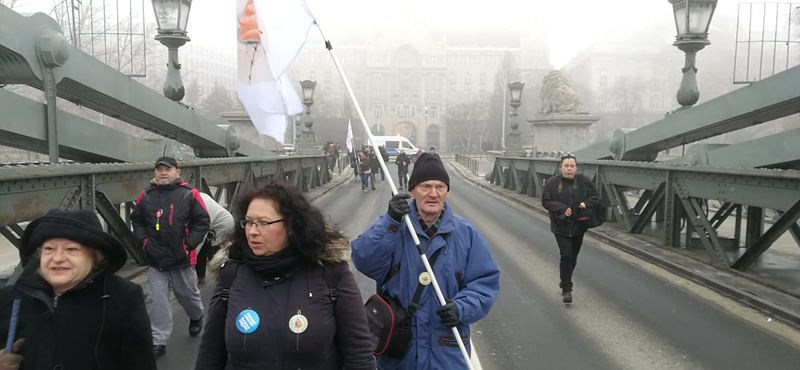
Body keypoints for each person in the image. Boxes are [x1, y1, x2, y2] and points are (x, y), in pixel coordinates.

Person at [195, 181, 375, 370]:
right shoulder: (232, 274)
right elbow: (210, 354)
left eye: (263, 223)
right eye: (248, 222)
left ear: (291, 225)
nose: (252, 231)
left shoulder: (331, 273)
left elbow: (359, 353)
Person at [352, 153, 501, 370]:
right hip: (400, 351)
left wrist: (461, 307)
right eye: (425, 186)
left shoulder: (467, 234)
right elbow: (364, 260)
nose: (433, 194)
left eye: (440, 187)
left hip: (447, 353)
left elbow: (485, 283)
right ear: (412, 191)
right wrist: (390, 222)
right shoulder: (394, 228)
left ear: (447, 192)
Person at [0, 209, 156, 370]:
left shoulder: (123, 298)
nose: (58, 258)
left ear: (95, 258)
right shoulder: (10, 299)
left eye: (72, 249)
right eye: (49, 249)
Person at [131, 156, 211, 358]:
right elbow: (137, 220)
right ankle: (158, 340)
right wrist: (144, 242)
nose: (163, 172)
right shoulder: (146, 196)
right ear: (155, 173)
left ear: (177, 172)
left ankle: (196, 316)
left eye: (168, 169)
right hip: (156, 258)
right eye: (159, 169)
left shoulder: (189, 194)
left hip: (181, 257)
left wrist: (189, 244)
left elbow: (202, 221)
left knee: (187, 294)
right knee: (156, 299)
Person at [541, 154, 600, 303]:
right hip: (560, 225)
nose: (569, 169)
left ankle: (564, 278)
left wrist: (586, 204)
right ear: (560, 167)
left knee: (573, 257)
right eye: (566, 166)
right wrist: (562, 209)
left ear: (576, 167)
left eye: (572, 166)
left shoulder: (584, 181)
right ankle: (567, 289)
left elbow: (595, 197)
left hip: (579, 225)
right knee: (566, 255)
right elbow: (546, 201)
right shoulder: (552, 183)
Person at [196, 193, 235, 285]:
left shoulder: (200, 206)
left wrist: (191, 255)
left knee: (213, 253)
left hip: (223, 225)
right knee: (203, 251)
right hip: (217, 223)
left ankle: (225, 277)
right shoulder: (198, 196)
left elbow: (201, 233)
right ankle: (200, 278)